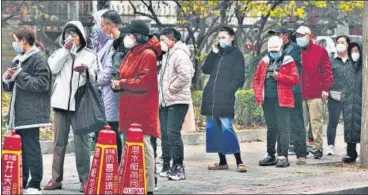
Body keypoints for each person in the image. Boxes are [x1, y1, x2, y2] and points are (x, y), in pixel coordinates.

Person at [43, 21, 99, 193]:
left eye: (74, 35)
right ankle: (56, 179)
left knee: (82, 143)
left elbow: (97, 77)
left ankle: (85, 179)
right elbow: (52, 68)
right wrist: (65, 50)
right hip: (61, 104)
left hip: (80, 105)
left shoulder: (90, 55)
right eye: (68, 34)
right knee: (59, 142)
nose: (71, 38)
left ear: (81, 37)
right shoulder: (60, 53)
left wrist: (86, 71)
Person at [111, 20, 161, 195]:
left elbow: (143, 82)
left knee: (145, 147)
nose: (127, 37)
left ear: (137, 37)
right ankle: (132, 183)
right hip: (129, 107)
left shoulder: (148, 54)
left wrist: (121, 83)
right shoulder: (132, 52)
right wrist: (117, 82)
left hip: (142, 108)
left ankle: (148, 187)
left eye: (130, 35)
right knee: (130, 147)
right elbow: (123, 73)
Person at [2, 25, 51, 194]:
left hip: (32, 112)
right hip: (19, 111)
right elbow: (10, 87)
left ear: (24, 41)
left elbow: (43, 84)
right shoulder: (18, 58)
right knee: (20, 148)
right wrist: (7, 79)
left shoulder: (38, 58)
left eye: (15, 40)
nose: (14, 44)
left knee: (31, 148)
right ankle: (20, 180)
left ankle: (35, 183)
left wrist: (19, 75)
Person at [201, 26, 247, 173]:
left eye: (224, 37)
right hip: (211, 96)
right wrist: (213, 54)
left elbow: (239, 78)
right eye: (219, 38)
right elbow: (205, 69)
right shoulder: (217, 53)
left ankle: (239, 161)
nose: (221, 40)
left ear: (231, 37)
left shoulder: (236, 54)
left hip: (225, 97)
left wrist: (228, 92)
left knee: (227, 128)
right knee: (213, 129)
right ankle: (222, 161)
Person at [253, 36, 299, 168]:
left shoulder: (288, 61)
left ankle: (283, 156)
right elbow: (256, 79)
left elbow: (295, 79)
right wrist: (258, 93)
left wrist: (279, 76)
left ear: (281, 48)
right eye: (271, 51)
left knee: (283, 127)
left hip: (282, 99)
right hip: (267, 99)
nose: (274, 53)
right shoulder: (264, 61)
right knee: (271, 127)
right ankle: (271, 154)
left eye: (276, 50)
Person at [158, 28, 195, 180]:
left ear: (172, 40)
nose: (161, 43)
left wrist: (171, 89)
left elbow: (186, 75)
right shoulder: (169, 55)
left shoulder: (179, 54)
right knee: (166, 134)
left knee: (173, 133)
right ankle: (168, 165)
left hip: (177, 100)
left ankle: (179, 167)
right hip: (167, 100)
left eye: (163, 40)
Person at [268, 27, 307, 162]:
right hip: (280, 91)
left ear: (285, 36)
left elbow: (285, 64)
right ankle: (281, 153)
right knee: (282, 123)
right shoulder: (272, 51)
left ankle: (301, 153)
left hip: (293, 89)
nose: (276, 38)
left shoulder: (293, 48)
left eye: (278, 35)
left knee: (296, 121)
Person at [296, 26, 334, 159]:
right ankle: (301, 148)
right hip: (300, 93)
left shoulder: (320, 51)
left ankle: (317, 148)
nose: (299, 38)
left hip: (316, 92)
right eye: (297, 36)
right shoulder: (296, 51)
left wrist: (325, 89)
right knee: (301, 123)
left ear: (309, 36)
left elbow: (327, 71)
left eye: (302, 35)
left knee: (316, 122)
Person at [90, 9, 123, 163]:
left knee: (112, 129)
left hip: (110, 92)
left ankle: (115, 163)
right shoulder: (100, 45)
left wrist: (93, 78)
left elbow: (109, 71)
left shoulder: (112, 45)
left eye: (99, 24)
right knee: (106, 130)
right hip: (103, 92)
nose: (97, 28)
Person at [326, 35, 352, 155]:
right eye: (338, 42)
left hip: (350, 97)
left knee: (349, 122)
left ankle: (350, 146)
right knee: (333, 121)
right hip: (334, 96)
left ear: (347, 45)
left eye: (343, 42)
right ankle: (330, 145)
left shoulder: (353, 61)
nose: (340, 44)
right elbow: (326, 77)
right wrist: (326, 91)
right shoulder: (331, 61)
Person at [342, 42, 362, 163]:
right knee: (349, 126)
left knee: (361, 127)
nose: (354, 53)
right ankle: (351, 152)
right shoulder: (348, 66)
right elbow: (344, 84)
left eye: (357, 51)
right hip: (349, 101)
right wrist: (344, 97)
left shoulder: (364, 66)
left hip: (361, 101)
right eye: (352, 51)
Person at [100, 10, 128, 80]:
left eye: (102, 26)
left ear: (109, 25)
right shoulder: (115, 42)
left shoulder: (126, 42)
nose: (101, 28)